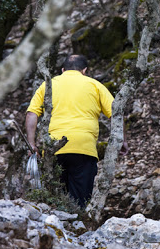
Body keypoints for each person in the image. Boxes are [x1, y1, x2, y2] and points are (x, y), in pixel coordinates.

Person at [25, 54, 128, 208]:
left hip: (54, 148)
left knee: (54, 199)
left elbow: (32, 114)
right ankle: (78, 227)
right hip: (84, 148)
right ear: (84, 70)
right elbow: (116, 113)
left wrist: (31, 144)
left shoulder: (49, 84)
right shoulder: (95, 85)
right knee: (79, 201)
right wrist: (122, 140)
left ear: (62, 69)